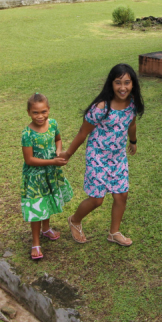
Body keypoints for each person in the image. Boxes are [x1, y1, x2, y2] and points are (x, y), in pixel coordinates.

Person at [59, 63, 144, 246]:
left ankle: (114, 233)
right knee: (97, 199)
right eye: (118, 82)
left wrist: (133, 141)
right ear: (111, 84)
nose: (123, 87)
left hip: (118, 157)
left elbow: (132, 124)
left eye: (127, 83)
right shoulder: (101, 107)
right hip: (97, 156)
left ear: (133, 84)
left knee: (121, 195)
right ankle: (74, 220)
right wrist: (68, 154)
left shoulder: (132, 104)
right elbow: (83, 132)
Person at [21, 93, 72, 260]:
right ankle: (35, 242)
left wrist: (58, 152)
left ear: (48, 110)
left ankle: (46, 229)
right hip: (35, 177)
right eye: (35, 112)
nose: (40, 116)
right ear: (29, 112)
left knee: (47, 201)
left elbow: (58, 140)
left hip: (50, 173)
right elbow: (29, 159)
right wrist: (52, 161)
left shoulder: (53, 124)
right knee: (37, 207)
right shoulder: (27, 134)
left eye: (43, 111)